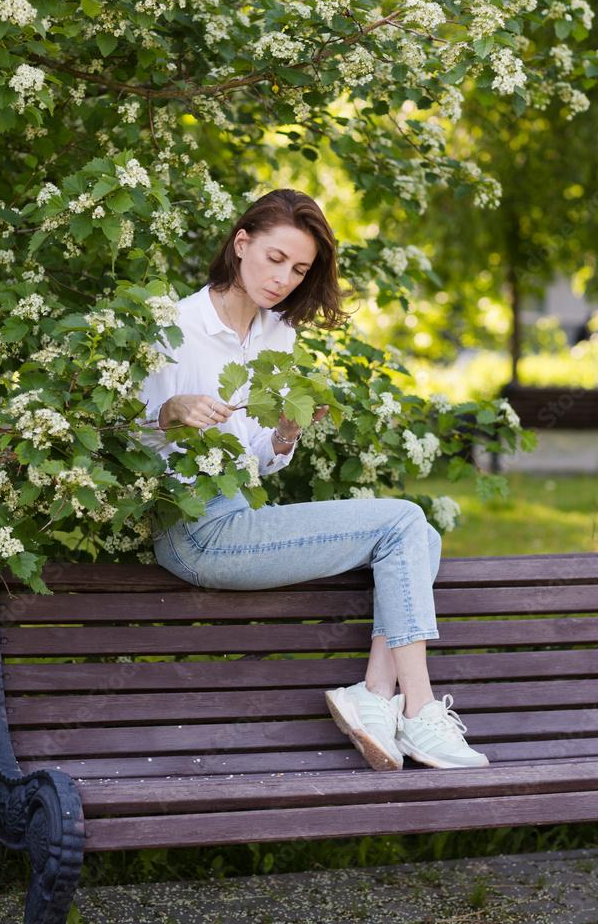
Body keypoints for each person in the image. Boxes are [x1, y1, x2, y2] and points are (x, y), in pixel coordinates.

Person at [137, 188, 488, 773]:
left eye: (299, 270)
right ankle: (421, 709)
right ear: (241, 243)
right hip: (191, 529)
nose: (284, 280)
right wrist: (169, 412)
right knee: (403, 518)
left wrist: (283, 436)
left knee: (420, 535)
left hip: (239, 514)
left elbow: (259, 459)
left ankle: (375, 696)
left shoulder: (280, 336)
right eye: (276, 259)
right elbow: (118, 443)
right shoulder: (171, 324)